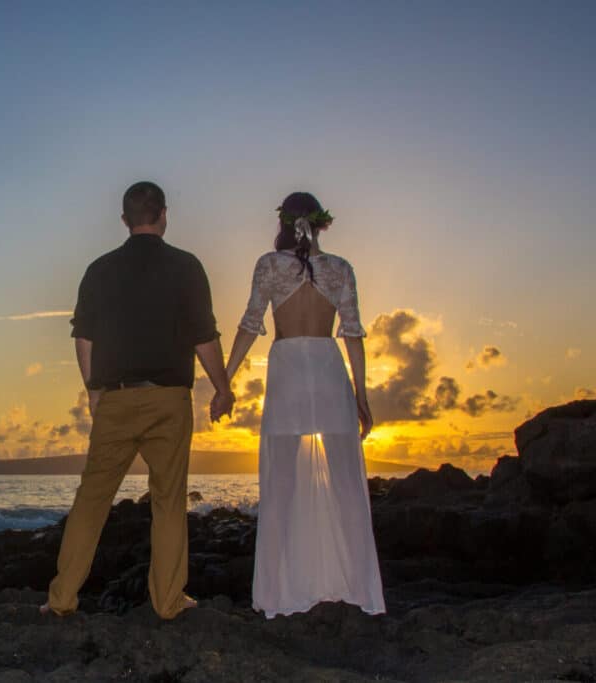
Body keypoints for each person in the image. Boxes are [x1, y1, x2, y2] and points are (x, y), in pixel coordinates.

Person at [41, 181, 235, 620]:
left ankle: (61, 600)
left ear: (125, 219)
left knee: (92, 499)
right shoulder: (187, 267)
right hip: (169, 400)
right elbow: (204, 337)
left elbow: (83, 337)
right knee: (168, 501)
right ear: (163, 214)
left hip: (116, 398)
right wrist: (222, 388)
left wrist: (93, 391)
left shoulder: (99, 269)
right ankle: (168, 602)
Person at [225, 191, 386, 618]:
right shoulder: (340, 269)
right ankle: (362, 592)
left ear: (283, 222)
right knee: (347, 487)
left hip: (289, 372)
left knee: (281, 485)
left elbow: (249, 324)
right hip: (329, 371)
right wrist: (361, 397)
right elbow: (351, 335)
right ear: (322, 224)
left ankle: (276, 596)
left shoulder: (270, 265)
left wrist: (225, 379)